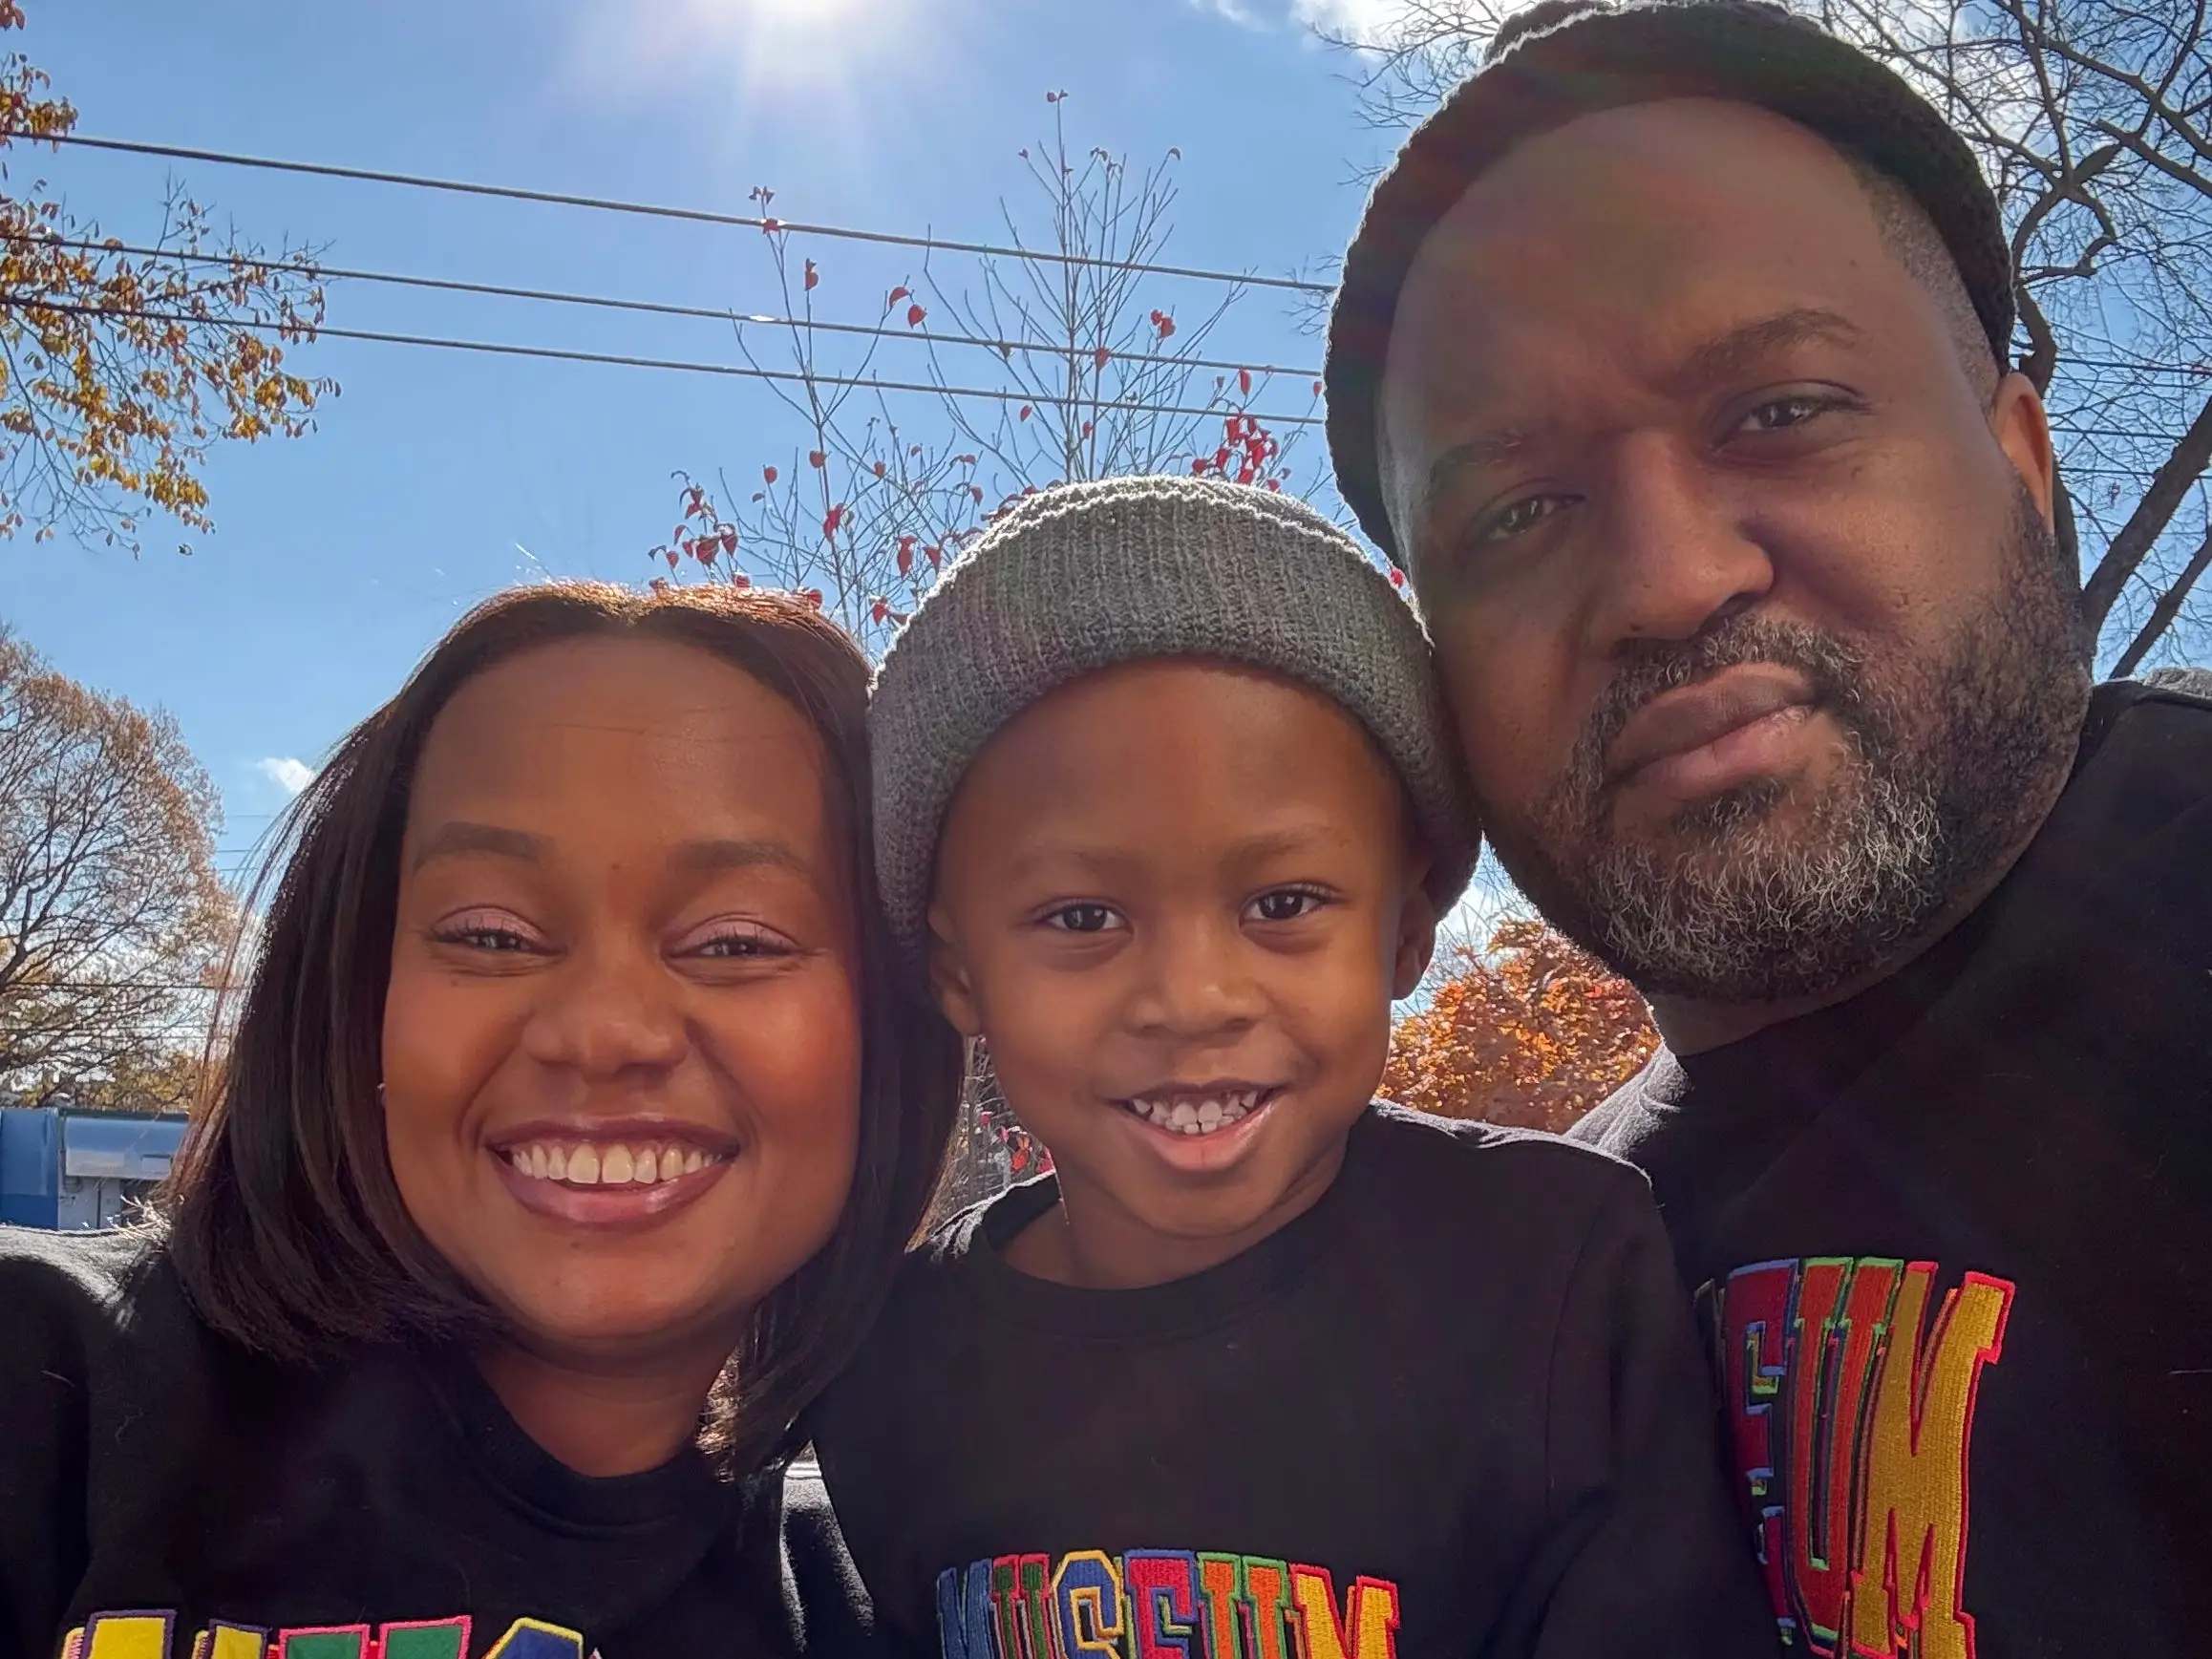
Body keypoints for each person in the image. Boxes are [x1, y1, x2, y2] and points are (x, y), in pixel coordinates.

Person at [1322, 1, 2212, 1651]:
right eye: (1519, 511)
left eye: (1781, 410)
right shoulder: (1548, 1281)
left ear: (2022, 455)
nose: (1668, 578)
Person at [808, 476, 1777, 1659]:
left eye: (1282, 903)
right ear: (956, 972)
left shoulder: (1552, 1272)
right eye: (1079, 918)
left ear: (1407, 930)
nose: (1192, 1001)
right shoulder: (895, 1357)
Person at [0, 583, 961, 1659]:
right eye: (493, 935)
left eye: (736, 940)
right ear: (357, 992)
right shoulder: (46, 1389)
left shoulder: (907, 1596)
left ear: (900, 1022)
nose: (601, 1033)